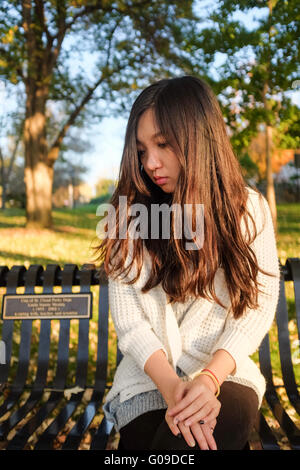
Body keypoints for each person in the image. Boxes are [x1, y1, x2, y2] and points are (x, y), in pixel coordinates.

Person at [95, 75, 281, 451]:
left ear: (199, 137)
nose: (150, 162)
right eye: (142, 149)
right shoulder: (125, 216)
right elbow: (130, 323)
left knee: (198, 440)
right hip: (148, 380)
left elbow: (256, 310)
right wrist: (173, 386)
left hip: (226, 376)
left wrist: (209, 379)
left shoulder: (248, 210)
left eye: (163, 144)